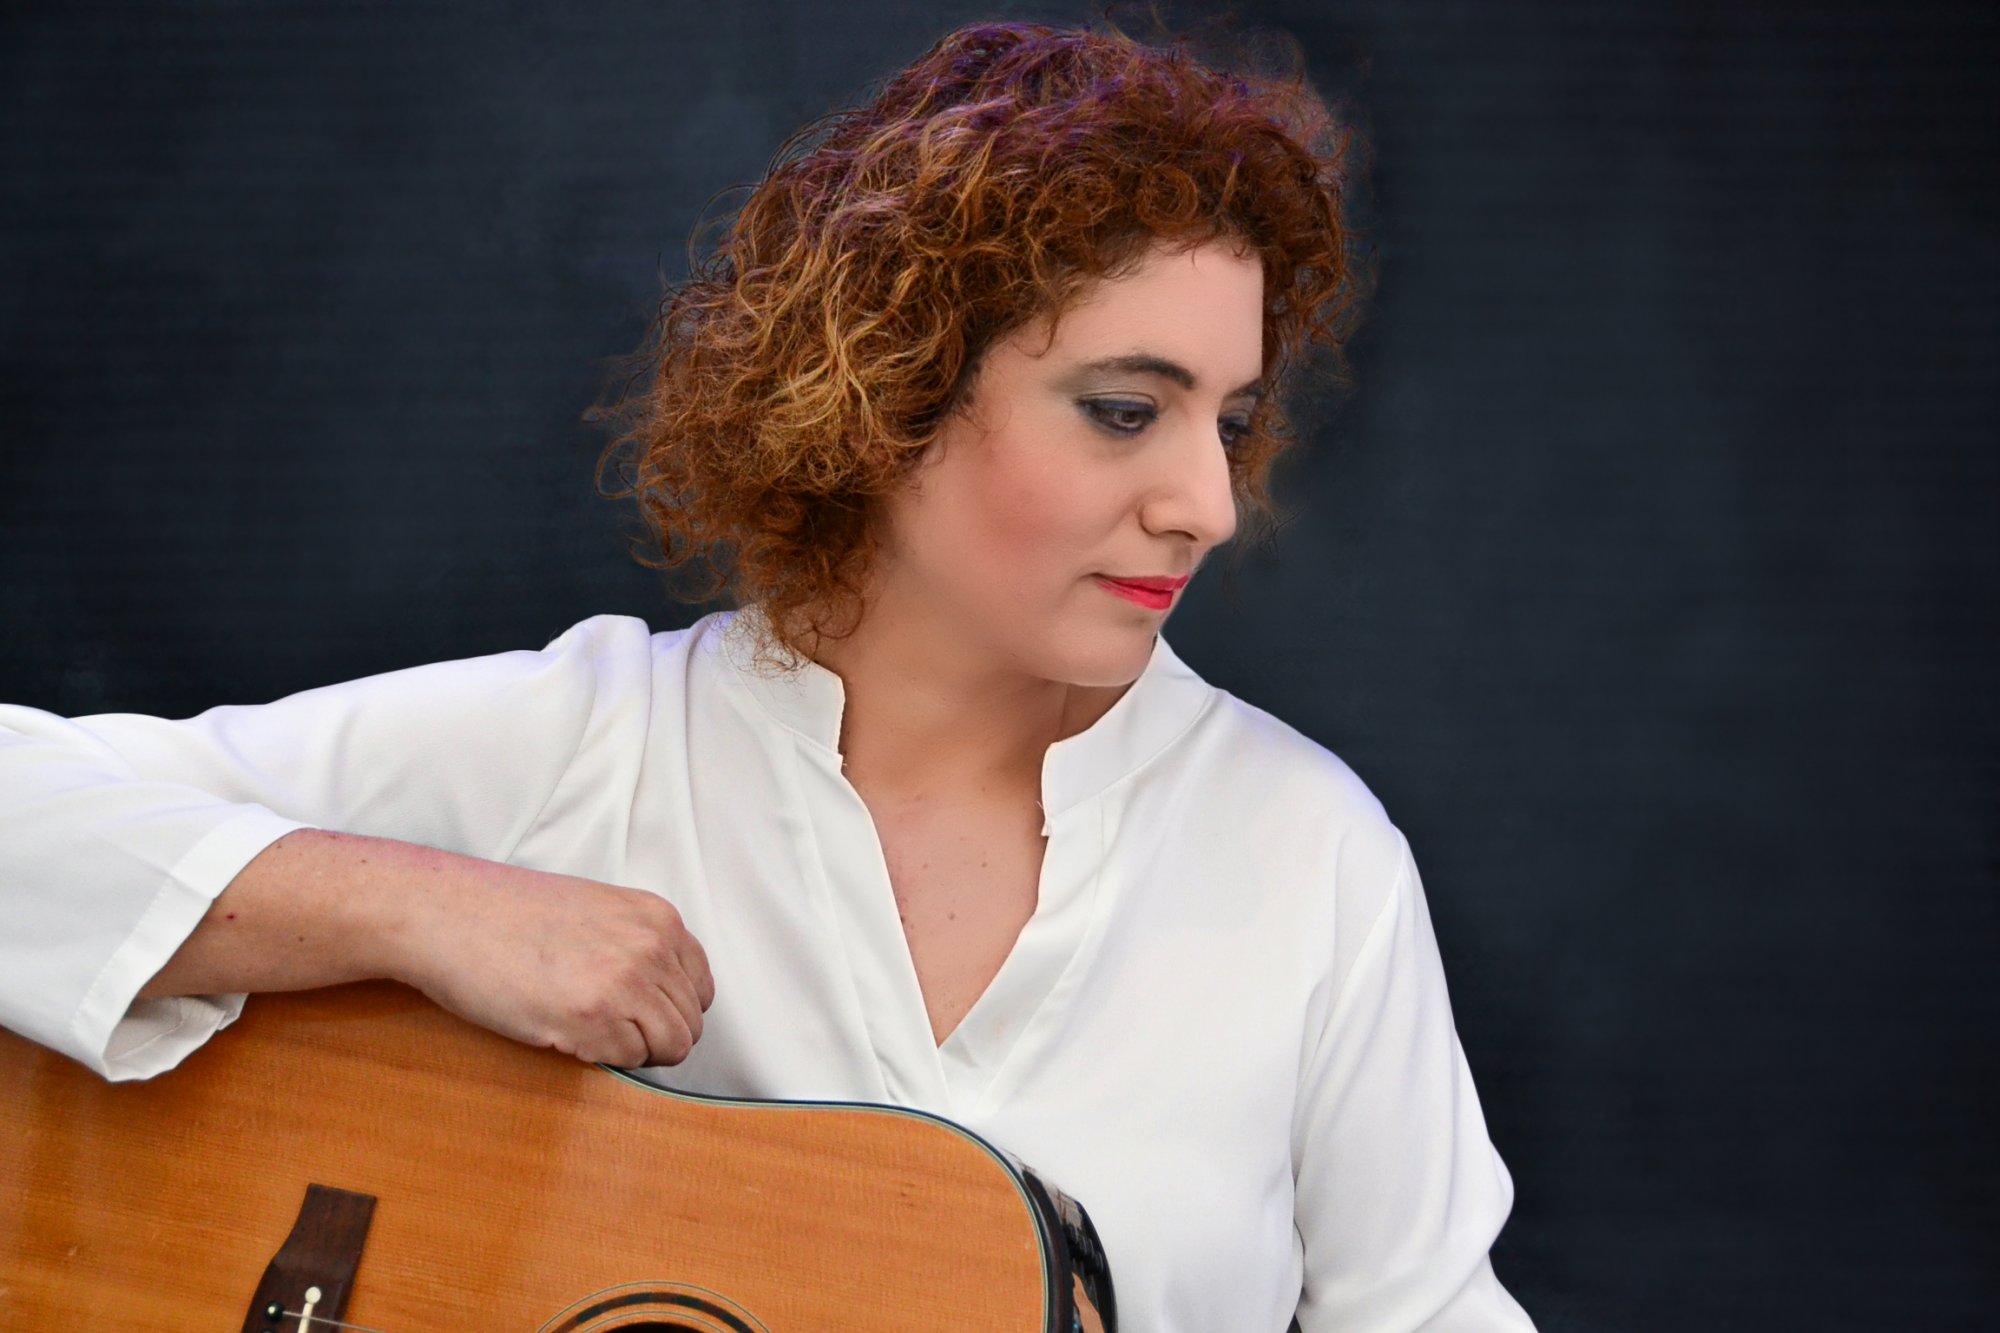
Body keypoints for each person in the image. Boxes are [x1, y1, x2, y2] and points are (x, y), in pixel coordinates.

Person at [0, 19, 1535, 1332]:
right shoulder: (594, 746)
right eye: (1127, 411)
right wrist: (420, 907)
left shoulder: (1311, 857)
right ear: (891, 390)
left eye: (1231, 421)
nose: (1208, 502)